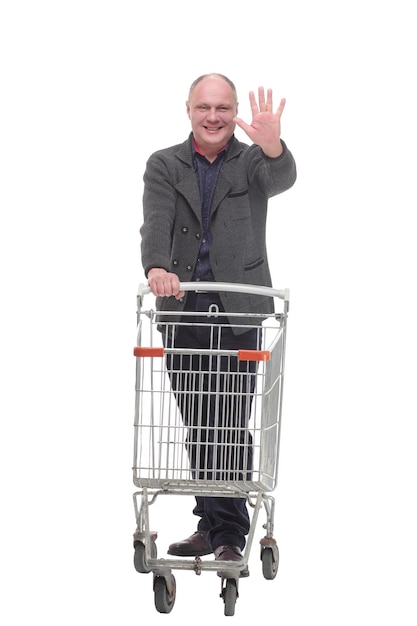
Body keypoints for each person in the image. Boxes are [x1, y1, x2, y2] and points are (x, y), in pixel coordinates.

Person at [140, 73, 296, 574]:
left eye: (223, 109)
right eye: (205, 107)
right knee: (198, 422)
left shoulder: (252, 162)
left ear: (233, 114)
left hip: (238, 310)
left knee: (229, 422)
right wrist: (157, 268)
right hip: (183, 308)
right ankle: (210, 520)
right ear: (188, 109)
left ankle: (229, 534)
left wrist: (272, 147)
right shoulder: (164, 164)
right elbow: (156, 220)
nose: (214, 117)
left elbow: (282, 178)